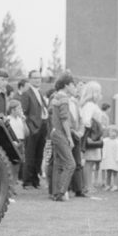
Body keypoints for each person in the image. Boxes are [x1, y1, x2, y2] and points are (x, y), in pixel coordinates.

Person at [48, 73, 77, 201]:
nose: (74, 87)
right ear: (66, 85)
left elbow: (51, 112)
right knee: (70, 164)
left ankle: (55, 192)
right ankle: (61, 192)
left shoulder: (55, 96)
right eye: (72, 85)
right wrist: (70, 137)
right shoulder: (64, 98)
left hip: (54, 132)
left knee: (58, 164)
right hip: (60, 133)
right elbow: (65, 119)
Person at [19, 70, 48, 189]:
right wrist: (29, 127)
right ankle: (27, 181)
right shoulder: (27, 93)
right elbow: (23, 112)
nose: (38, 80)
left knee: (39, 155)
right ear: (30, 79)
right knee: (30, 155)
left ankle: (35, 180)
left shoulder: (39, 93)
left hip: (42, 127)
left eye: (39, 78)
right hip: (32, 128)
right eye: (35, 78)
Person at [79, 81, 106, 192]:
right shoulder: (90, 105)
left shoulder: (91, 105)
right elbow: (86, 120)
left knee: (90, 162)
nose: (100, 94)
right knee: (89, 162)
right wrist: (93, 130)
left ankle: (88, 185)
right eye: (98, 92)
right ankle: (87, 186)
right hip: (91, 136)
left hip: (93, 135)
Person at [100, 125, 118, 191]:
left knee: (115, 173)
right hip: (108, 159)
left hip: (115, 159)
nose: (113, 134)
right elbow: (102, 149)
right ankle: (108, 185)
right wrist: (103, 157)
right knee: (108, 173)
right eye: (111, 132)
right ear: (108, 133)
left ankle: (115, 185)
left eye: (115, 132)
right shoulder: (105, 141)